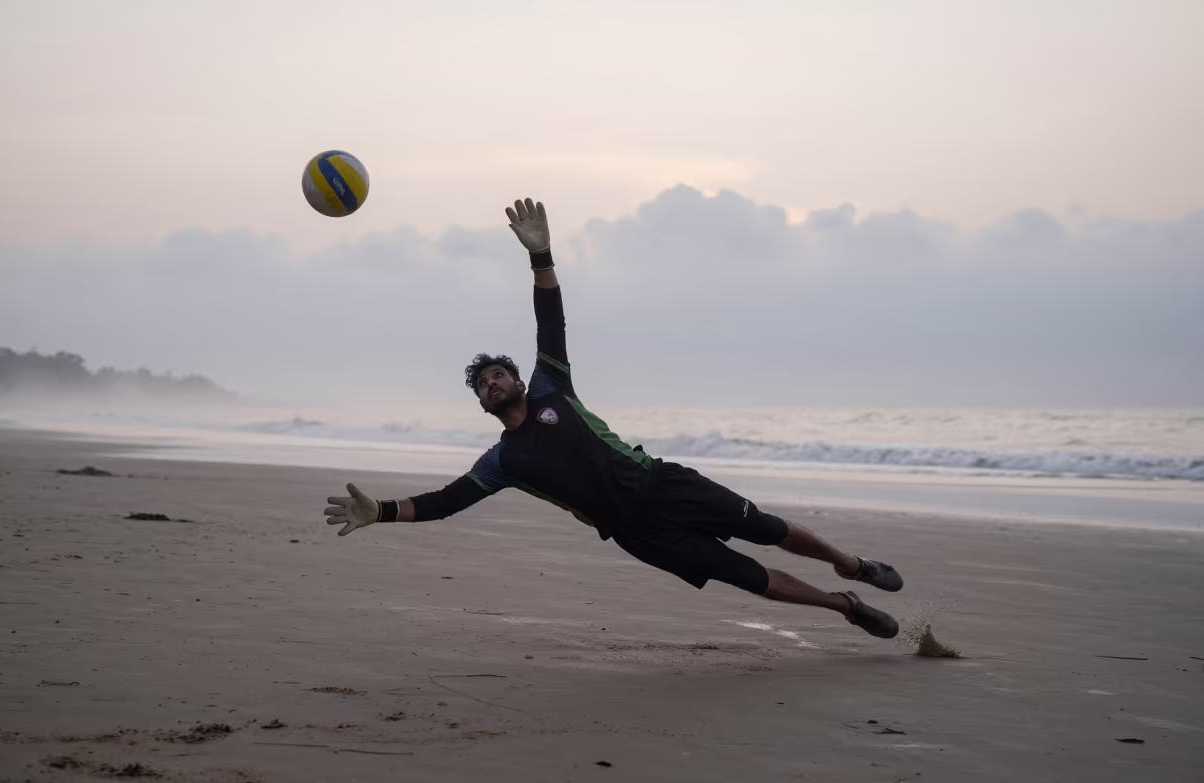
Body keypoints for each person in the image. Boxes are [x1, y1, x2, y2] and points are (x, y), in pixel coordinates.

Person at [324, 198, 903, 638]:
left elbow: (551, 317)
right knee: (748, 576)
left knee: (770, 528)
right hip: (636, 530)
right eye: (481, 384)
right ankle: (842, 607)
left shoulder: (554, 384)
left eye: (497, 373)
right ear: (481, 404)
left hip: (665, 482)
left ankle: (852, 566)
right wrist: (381, 512)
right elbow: (446, 501)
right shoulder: (503, 462)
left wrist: (539, 255)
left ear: (519, 379)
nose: (491, 382)